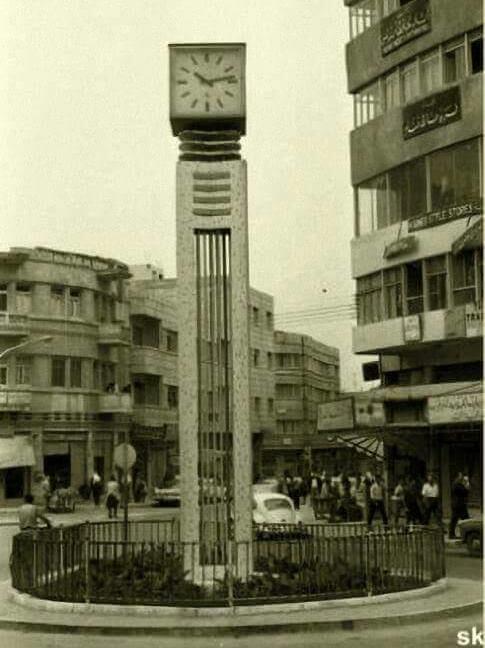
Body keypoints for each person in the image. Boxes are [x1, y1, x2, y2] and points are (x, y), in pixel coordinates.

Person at [449, 473, 470, 539]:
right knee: (455, 520)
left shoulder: (459, 484)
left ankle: (467, 534)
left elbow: (466, 492)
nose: (461, 477)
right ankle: (451, 534)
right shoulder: (456, 484)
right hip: (458, 505)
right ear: (458, 477)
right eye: (460, 476)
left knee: (465, 520)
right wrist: (466, 484)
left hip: (460, 505)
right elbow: (465, 491)